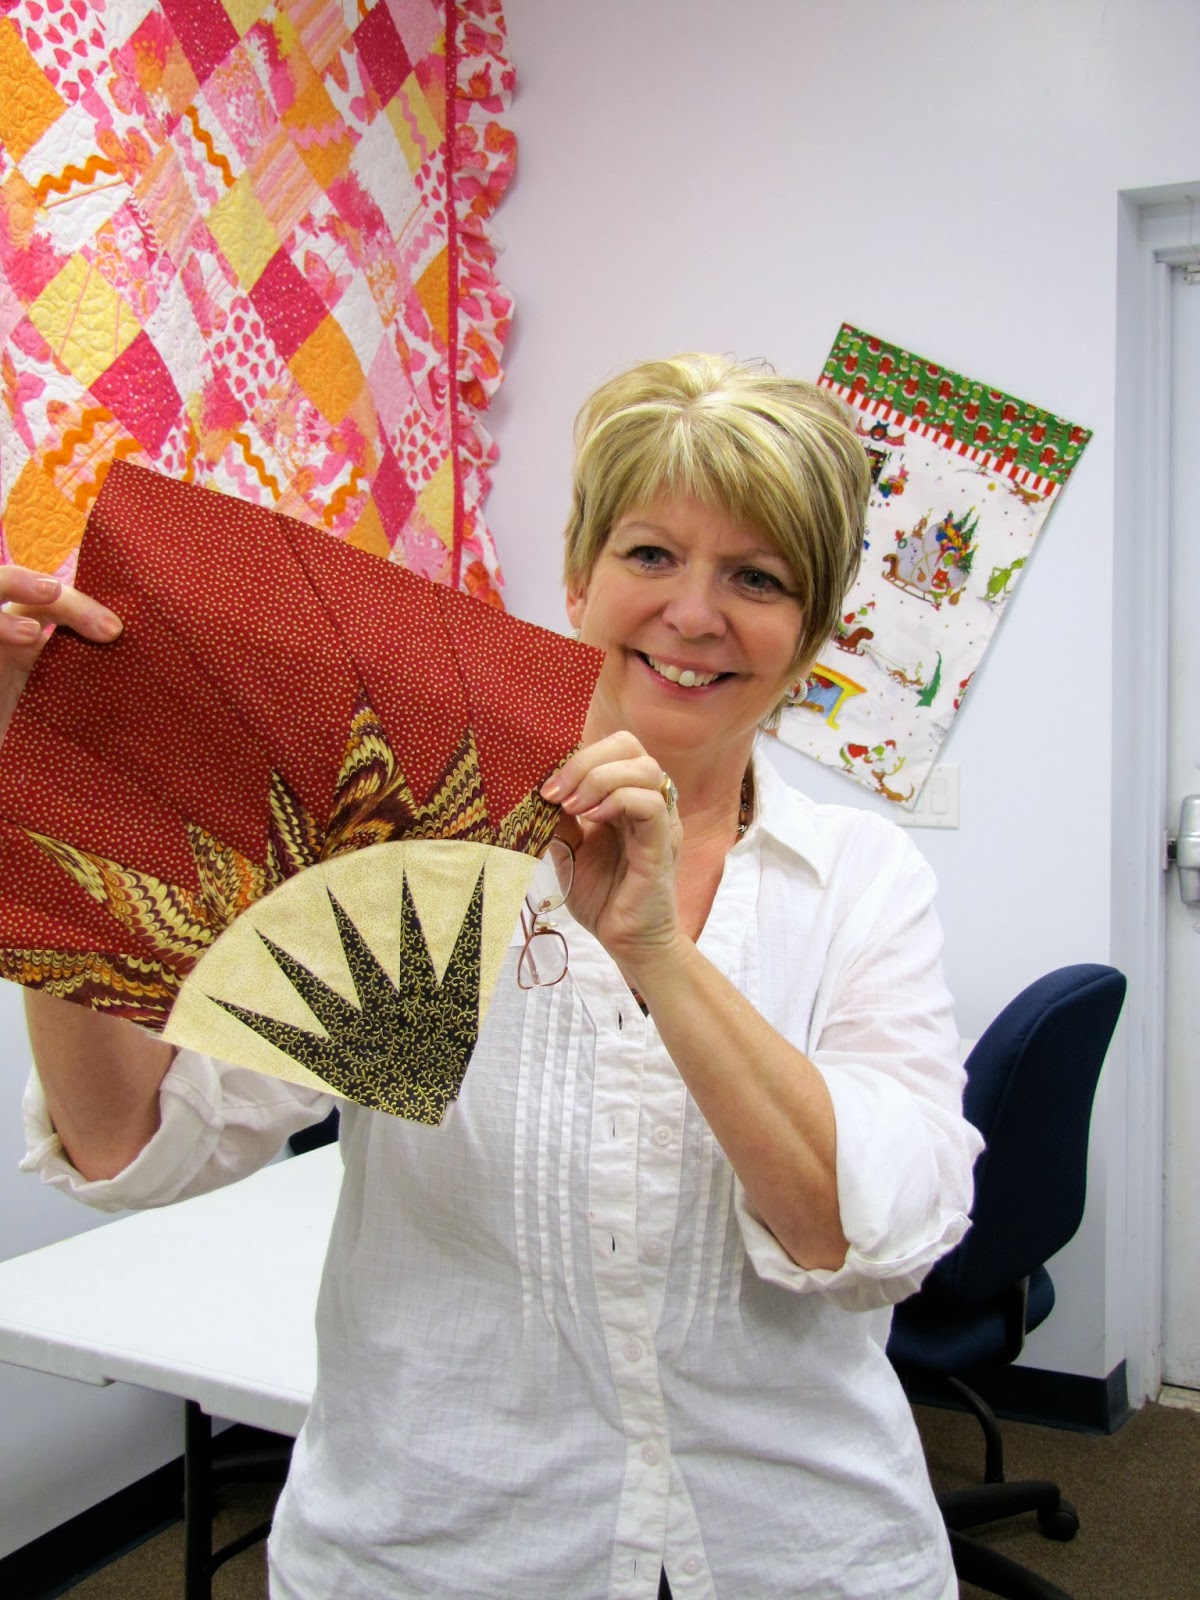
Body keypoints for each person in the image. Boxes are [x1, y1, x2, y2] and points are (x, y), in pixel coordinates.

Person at [6, 354, 982, 1599]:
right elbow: (130, 1145)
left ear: (812, 634)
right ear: (578, 580)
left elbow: (863, 1237)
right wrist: (45, 778)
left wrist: (658, 956)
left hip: (790, 1552)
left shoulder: (858, 879)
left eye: (758, 578)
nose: (694, 613)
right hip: (445, 1550)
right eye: (650, 554)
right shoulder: (415, 832)